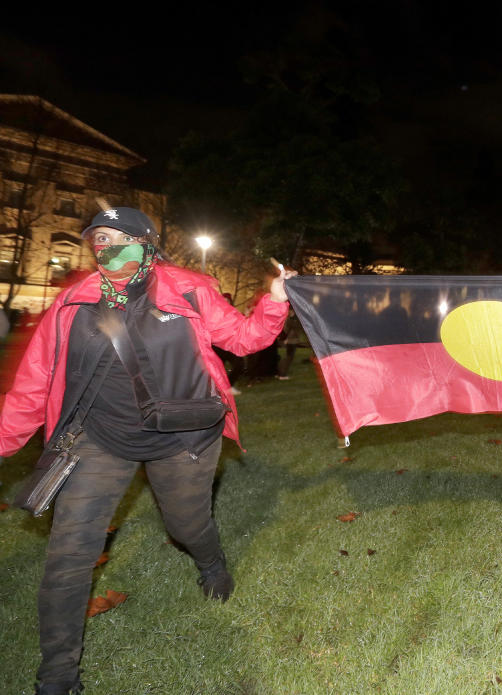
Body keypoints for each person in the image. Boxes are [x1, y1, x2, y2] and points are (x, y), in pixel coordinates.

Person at [0, 207, 297, 695]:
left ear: (147, 244)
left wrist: (274, 300)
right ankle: (57, 677)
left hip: (182, 435)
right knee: (68, 554)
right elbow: (35, 385)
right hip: (99, 437)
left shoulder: (189, 288)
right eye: (98, 239)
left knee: (185, 524)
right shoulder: (72, 303)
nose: (106, 247)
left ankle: (210, 561)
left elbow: (244, 340)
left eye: (119, 237)